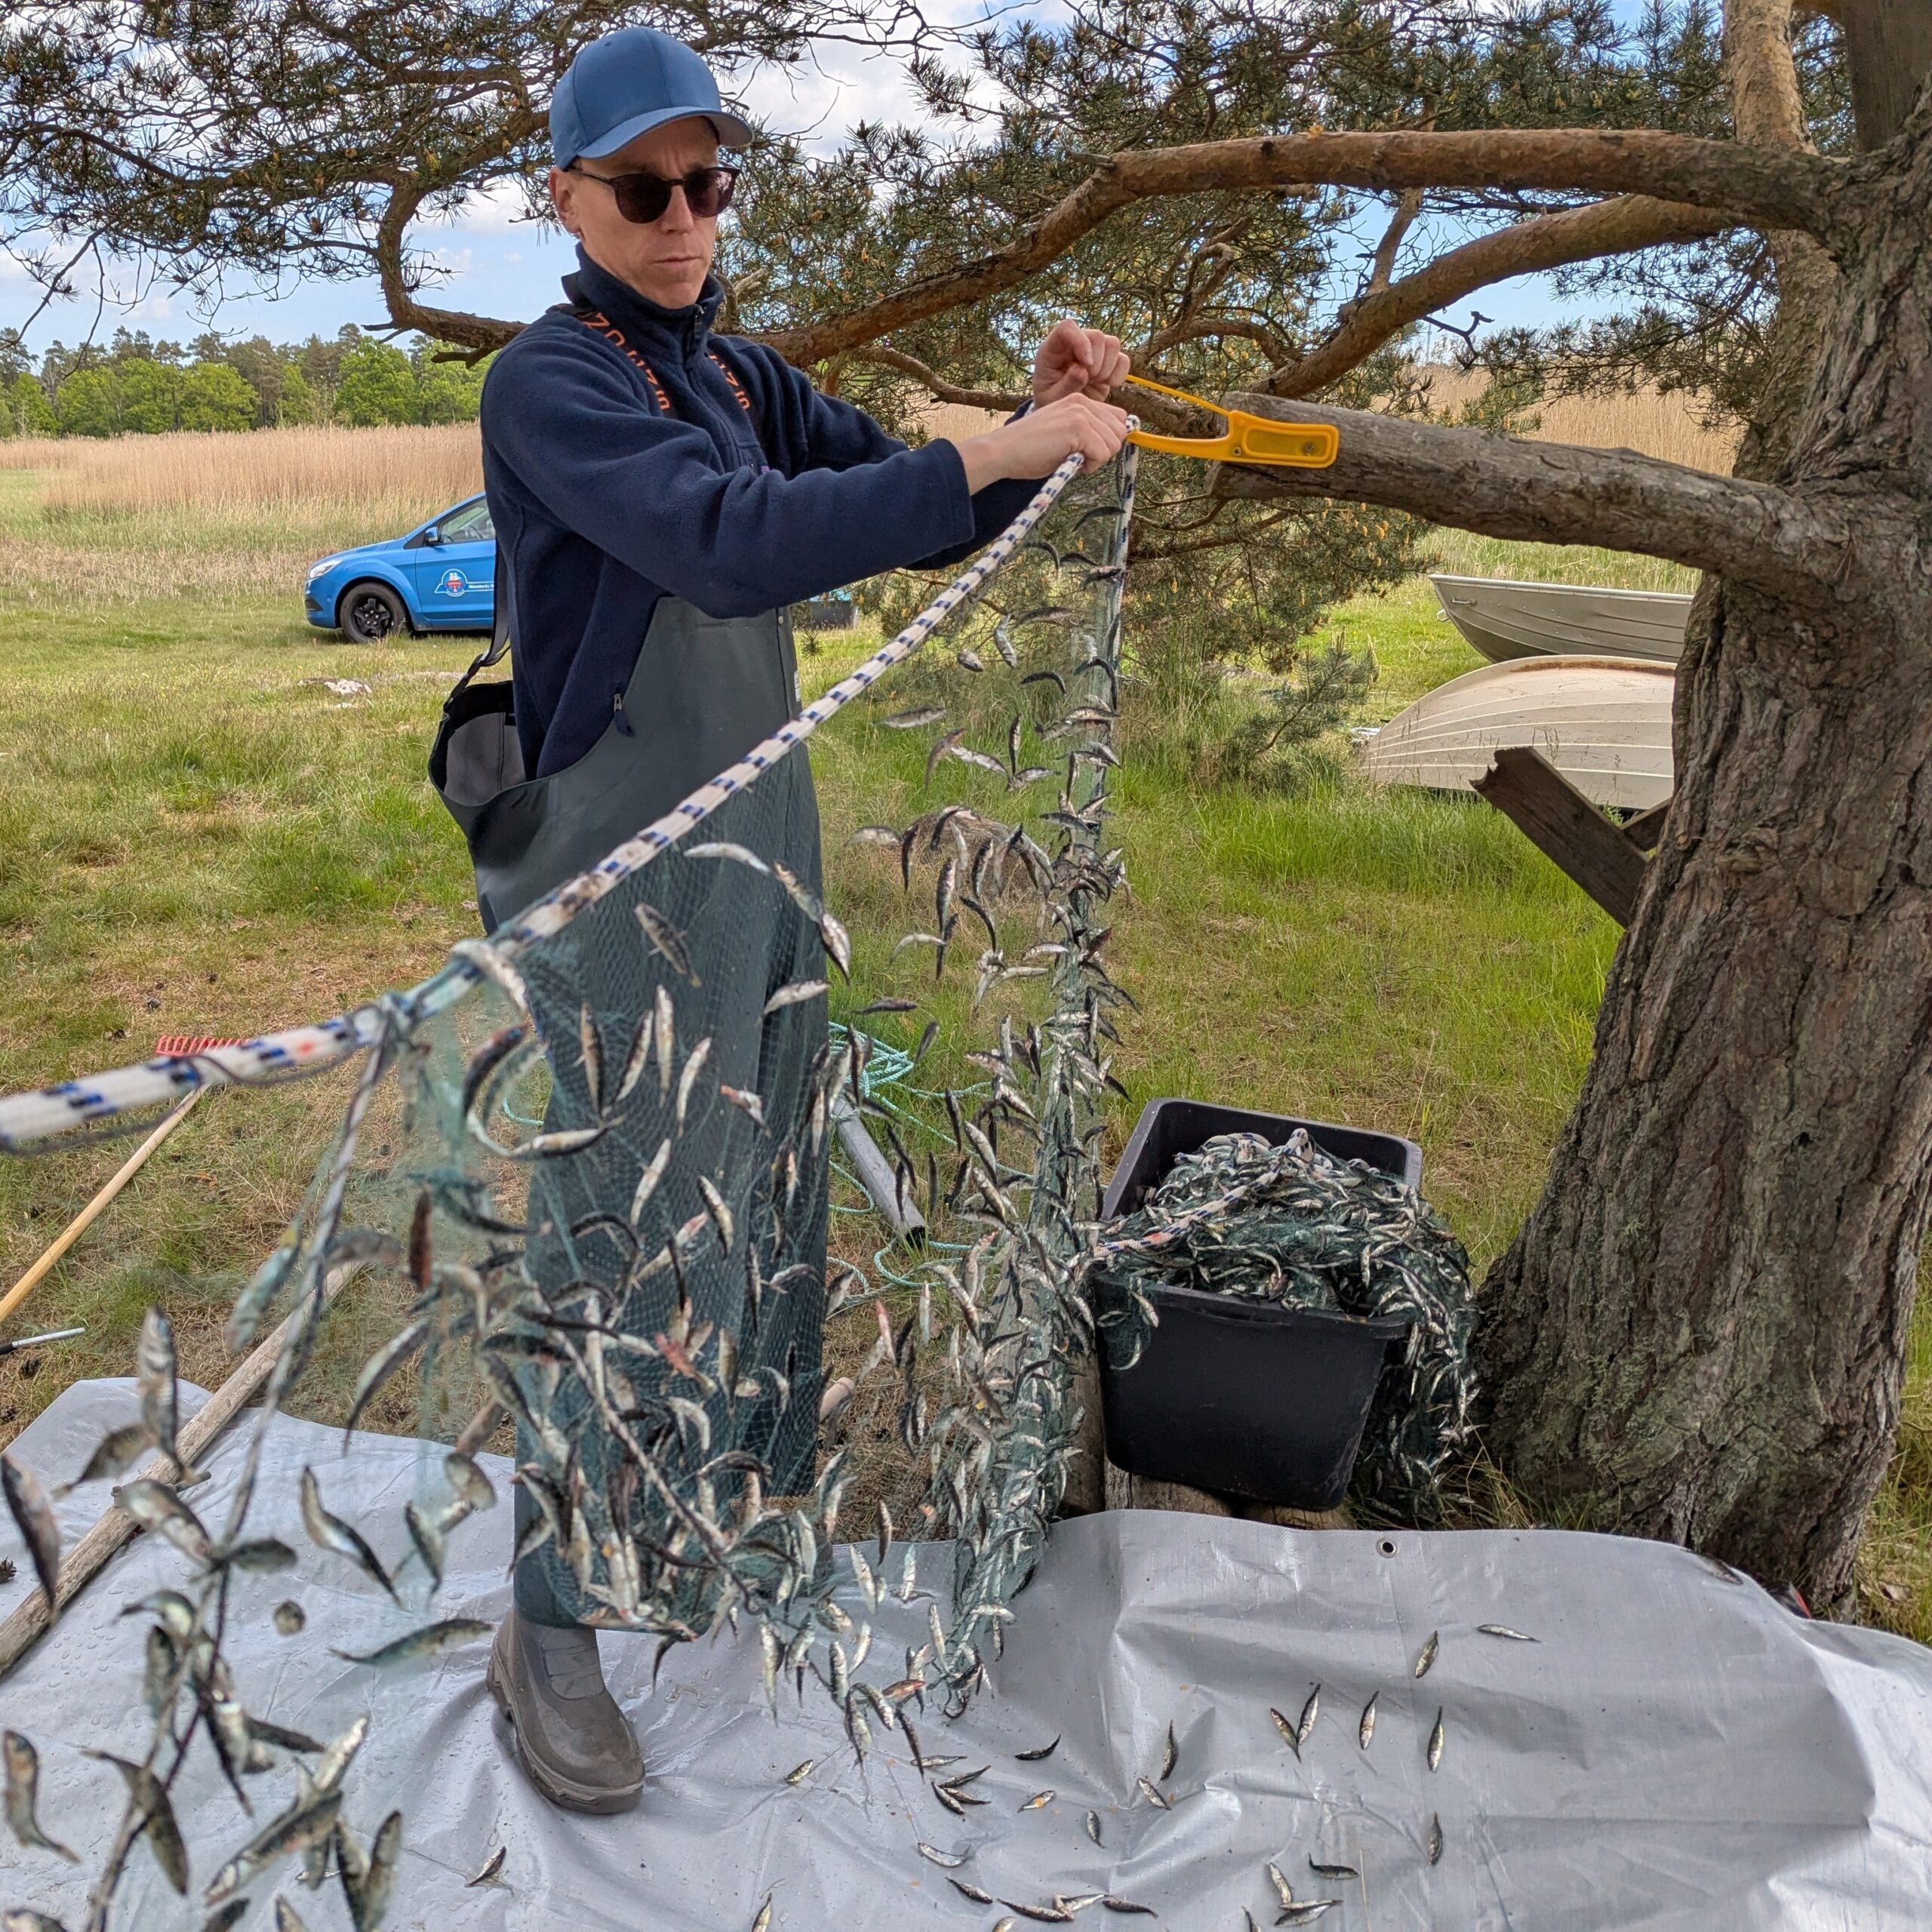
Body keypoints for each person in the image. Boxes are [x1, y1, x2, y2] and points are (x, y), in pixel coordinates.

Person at [458, 23, 1131, 1814]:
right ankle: (548, 1620)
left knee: (762, 1180)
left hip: (758, 835)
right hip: (621, 859)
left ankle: (724, 1519)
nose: (682, 216)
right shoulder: (549, 383)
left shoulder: (741, 375)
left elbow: (909, 508)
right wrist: (996, 447)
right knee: (618, 1228)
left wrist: (1022, 425)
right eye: (642, 188)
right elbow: (729, 541)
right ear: (567, 199)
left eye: (707, 182)